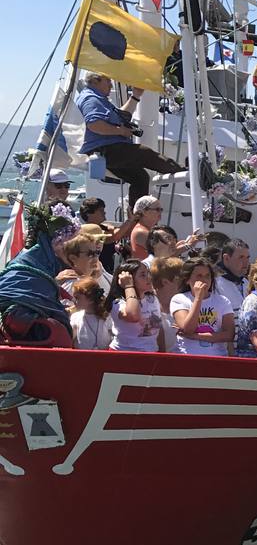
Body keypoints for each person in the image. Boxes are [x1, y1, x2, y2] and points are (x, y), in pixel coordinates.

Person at [75, 71, 185, 208]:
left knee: (140, 178)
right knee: (145, 153)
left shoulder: (97, 98)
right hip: (108, 150)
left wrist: (136, 96)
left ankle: (136, 216)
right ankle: (182, 172)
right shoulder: (90, 98)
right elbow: (94, 124)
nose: (110, 85)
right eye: (108, 81)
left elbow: (121, 116)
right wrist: (121, 131)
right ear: (96, 81)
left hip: (108, 151)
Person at [0, 204, 79, 346]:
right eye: (72, 243)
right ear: (57, 243)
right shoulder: (32, 263)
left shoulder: (36, 262)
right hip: (26, 329)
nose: (74, 249)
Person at [171, 259, 235, 355]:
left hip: (217, 356)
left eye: (207, 276)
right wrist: (198, 298)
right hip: (187, 356)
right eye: (199, 276)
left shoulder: (223, 301)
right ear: (187, 280)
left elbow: (229, 335)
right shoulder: (179, 299)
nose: (204, 280)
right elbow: (187, 329)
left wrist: (195, 336)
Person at [105, 260, 165, 352]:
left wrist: (162, 351)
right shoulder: (118, 303)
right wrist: (128, 286)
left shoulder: (152, 299)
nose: (149, 277)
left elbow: (158, 329)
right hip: (124, 355)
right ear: (130, 279)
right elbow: (133, 315)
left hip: (151, 353)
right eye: (142, 275)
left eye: (148, 273)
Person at [69, 277, 113, 350]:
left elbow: (114, 339)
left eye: (77, 298)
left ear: (90, 299)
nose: (74, 301)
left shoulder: (108, 317)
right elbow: (70, 341)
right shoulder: (76, 317)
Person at [214, 238, 251, 314]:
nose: (246, 262)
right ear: (226, 258)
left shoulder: (246, 282)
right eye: (241, 257)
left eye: (247, 257)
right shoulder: (214, 284)